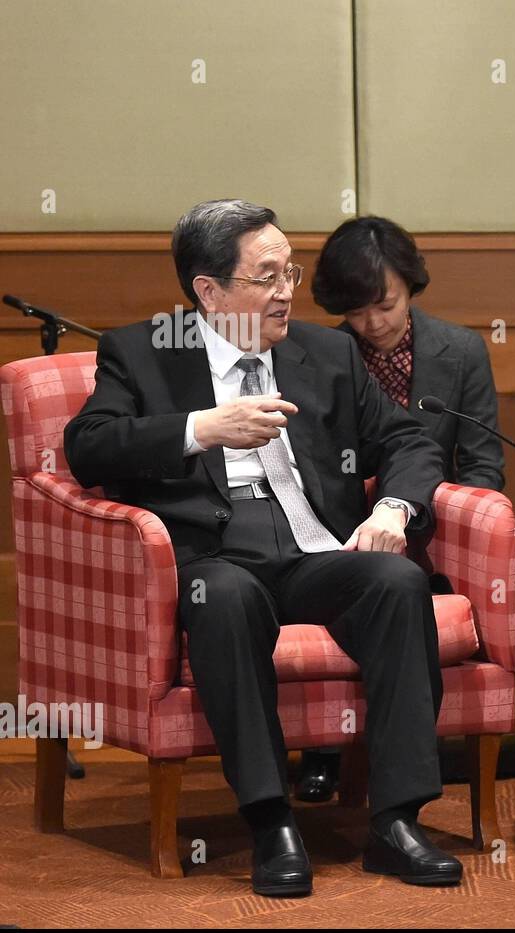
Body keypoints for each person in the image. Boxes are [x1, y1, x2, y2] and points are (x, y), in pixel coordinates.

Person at [64, 199, 464, 896]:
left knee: (397, 583)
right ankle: (271, 818)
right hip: (215, 557)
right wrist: (200, 428)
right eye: (267, 276)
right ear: (209, 291)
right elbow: (87, 445)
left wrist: (396, 509)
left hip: (314, 550)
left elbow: (407, 439)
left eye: (290, 272)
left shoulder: (328, 351)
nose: (287, 292)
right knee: (221, 597)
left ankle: (396, 821)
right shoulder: (142, 352)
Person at [292, 215, 508, 802]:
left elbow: (483, 464)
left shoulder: (459, 352)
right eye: (357, 310)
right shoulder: (322, 356)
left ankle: (410, 763)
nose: (373, 323)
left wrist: (458, 523)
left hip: (429, 530)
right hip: (340, 532)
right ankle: (323, 750)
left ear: (410, 285)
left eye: (384, 304)